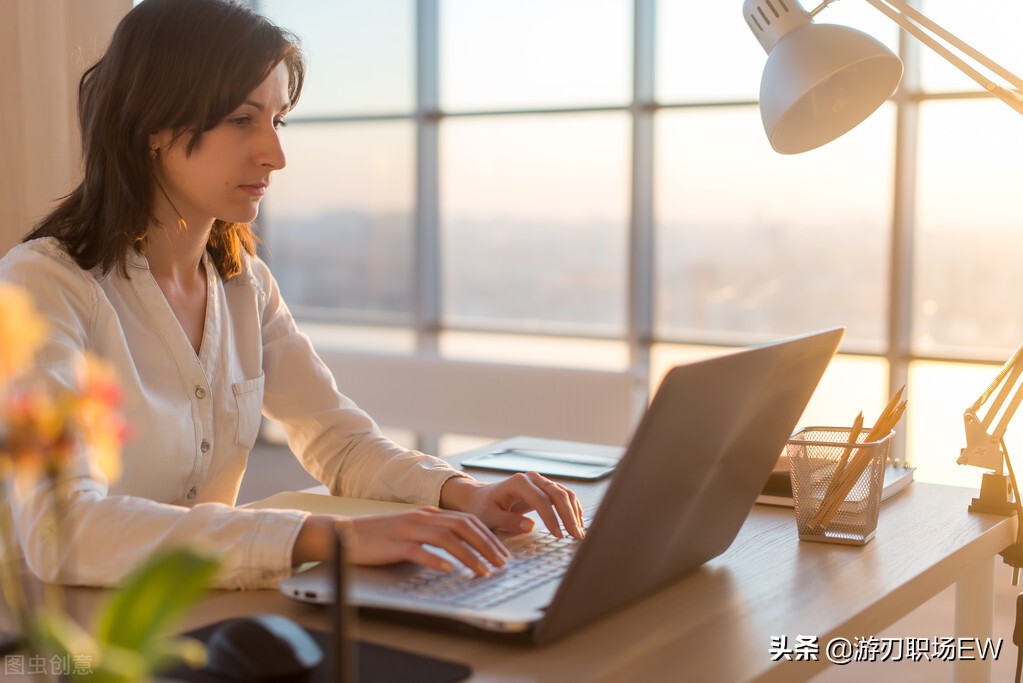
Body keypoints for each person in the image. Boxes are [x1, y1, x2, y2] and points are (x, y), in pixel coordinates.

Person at [0, 0, 583, 590]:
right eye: (240, 120)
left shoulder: (243, 284)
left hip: (204, 621)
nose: (274, 156)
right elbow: (61, 528)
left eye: (277, 121)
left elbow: (340, 442)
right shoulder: (43, 286)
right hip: (71, 644)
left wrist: (464, 493)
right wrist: (326, 538)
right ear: (154, 124)